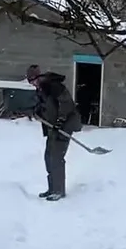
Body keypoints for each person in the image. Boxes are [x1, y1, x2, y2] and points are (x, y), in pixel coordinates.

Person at [27, 65, 82, 201]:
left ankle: (58, 190)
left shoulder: (54, 86)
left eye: (33, 81)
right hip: (53, 128)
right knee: (49, 157)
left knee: (56, 158)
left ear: (39, 77)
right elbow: (44, 107)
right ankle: (52, 188)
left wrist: (60, 120)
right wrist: (36, 112)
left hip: (64, 126)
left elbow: (67, 104)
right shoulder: (41, 90)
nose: (33, 84)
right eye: (30, 82)